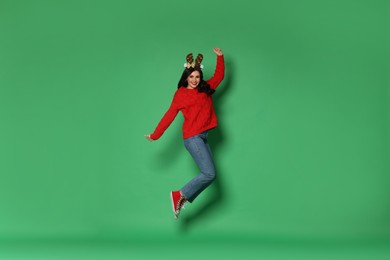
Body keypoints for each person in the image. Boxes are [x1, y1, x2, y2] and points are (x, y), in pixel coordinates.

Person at [145, 47, 225, 219]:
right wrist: (155, 135)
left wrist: (220, 57)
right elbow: (169, 116)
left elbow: (219, 77)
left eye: (197, 77)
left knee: (211, 175)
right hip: (192, 138)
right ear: (186, 77)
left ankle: (182, 197)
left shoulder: (205, 89)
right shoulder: (180, 94)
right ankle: (179, 195)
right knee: (209, 173)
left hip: (203, 137)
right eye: (191, 77)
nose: (195, 80)